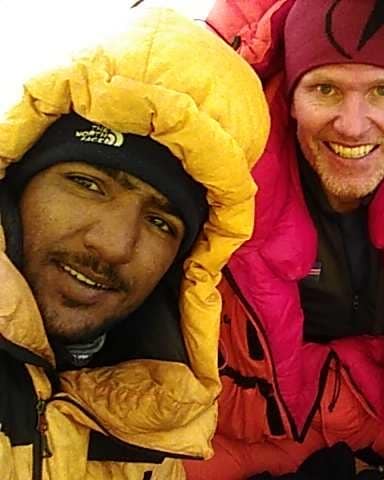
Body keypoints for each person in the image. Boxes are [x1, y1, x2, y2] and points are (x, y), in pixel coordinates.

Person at [185, 0, 384, 478]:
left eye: (382, 90)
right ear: (290, 102)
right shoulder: (216, 197)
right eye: (325, 89)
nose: (353, 124)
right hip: (256, 436)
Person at [0, 8, 269, 479]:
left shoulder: (158, 410)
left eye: (162, 223)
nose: (113, 245)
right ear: (18, 178)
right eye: (87, 183)